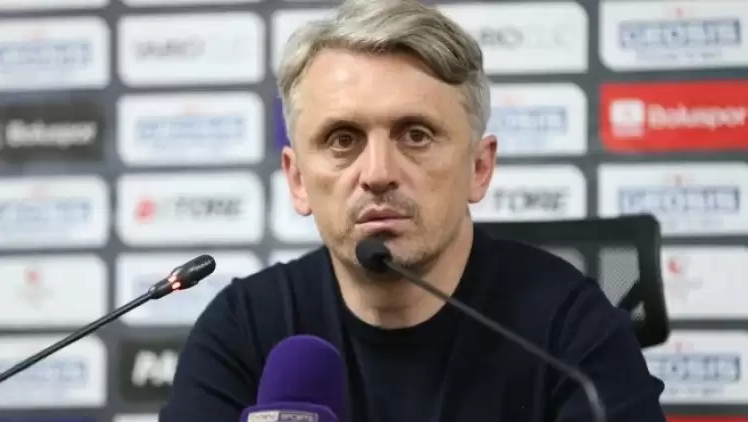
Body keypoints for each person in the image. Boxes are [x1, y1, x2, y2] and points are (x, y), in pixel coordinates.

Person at [160, 0, 666, 421]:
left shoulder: (570, 329)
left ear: (479, 168)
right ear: (297, 180)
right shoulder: (245, 329)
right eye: (343, 139)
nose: (378, 172)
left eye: (416, 135)